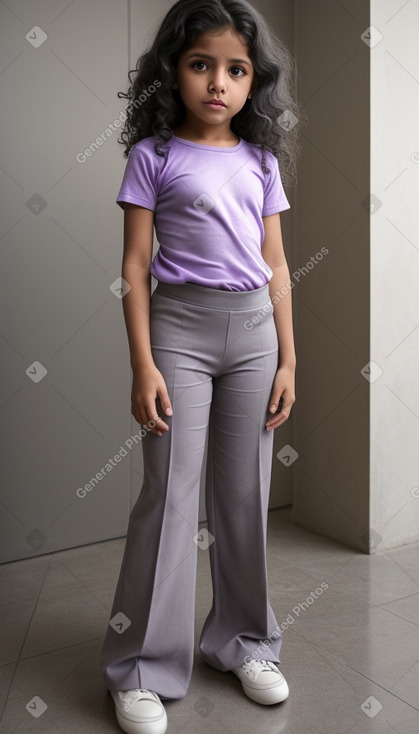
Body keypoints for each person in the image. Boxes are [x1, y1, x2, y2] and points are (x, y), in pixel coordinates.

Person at [100, 1, 305, 732]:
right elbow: (133, 265)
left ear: (253, 83)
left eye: (235, 69)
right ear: (173, 71)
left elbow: (277, 266)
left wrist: (288, 356)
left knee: (243, 497)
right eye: (200, 64)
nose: (217, 82)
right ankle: (141, 668)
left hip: (253, 333)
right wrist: (143, 364)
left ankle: (244, 643)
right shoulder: (152, 157)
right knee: (168, 497)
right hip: (177, 332)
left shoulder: (259, 161)